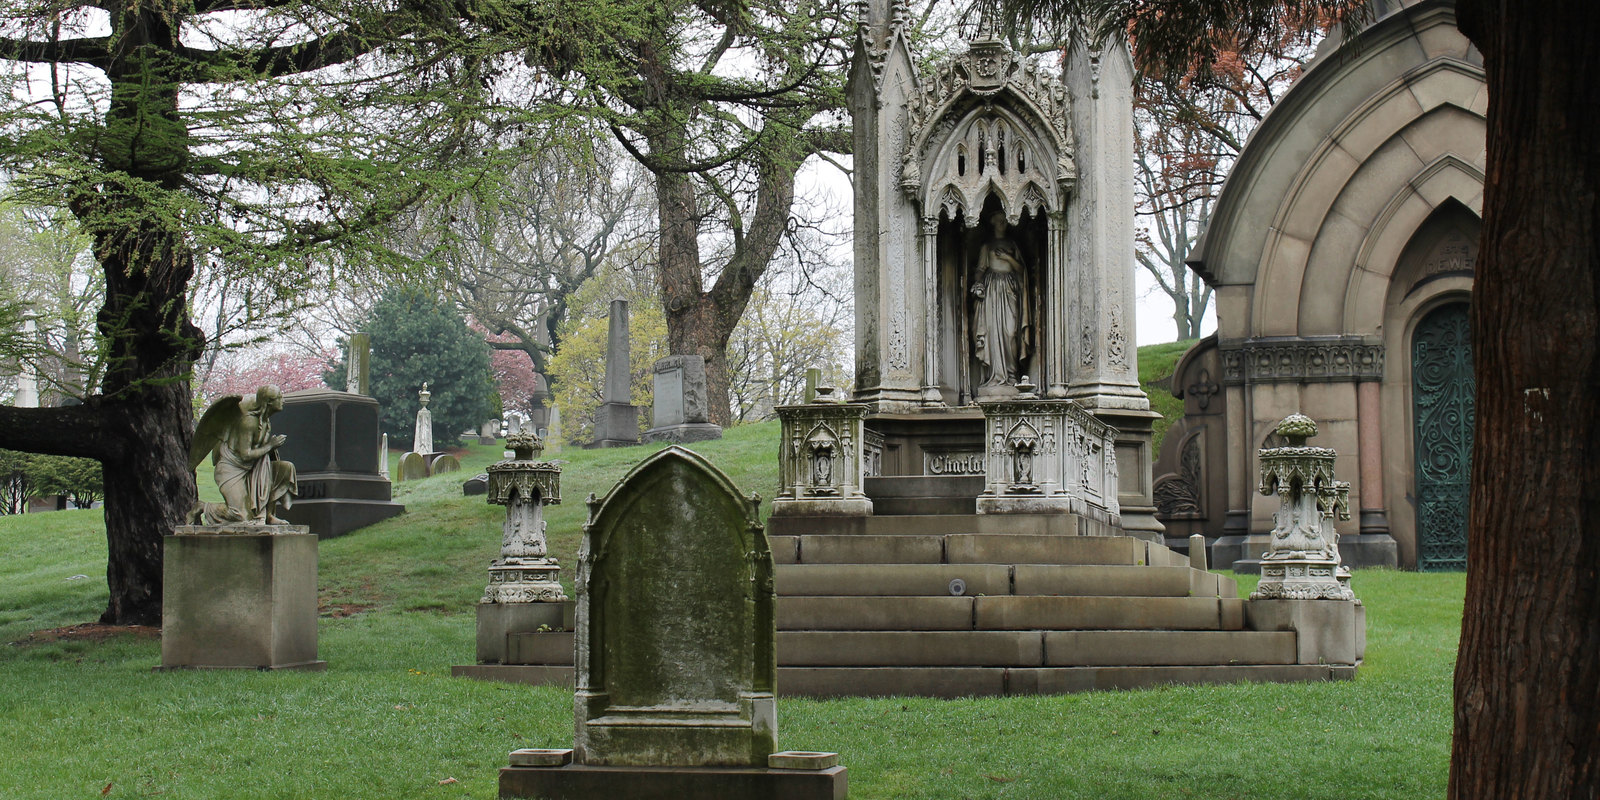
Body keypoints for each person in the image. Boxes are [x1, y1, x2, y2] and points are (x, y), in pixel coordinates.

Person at [190, 385, 298, 524]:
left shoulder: (265, 419)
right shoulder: (249, 422)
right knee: (240, 516)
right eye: (280, 397)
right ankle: (203, 507)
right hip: (231, 468)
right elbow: (245, 455)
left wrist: (270, 447)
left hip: (252, 468)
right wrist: (270, 445)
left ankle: (267, 515)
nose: (283, 400)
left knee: (285, 468)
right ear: (269, 402)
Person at [971, 213, 1030, 388]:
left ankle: (1011, 375)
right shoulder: (987, 246)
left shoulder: (1012, 245)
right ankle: (994, 376)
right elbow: (980, 270)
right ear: (992, 222)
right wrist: (978, 284)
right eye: (998, 220)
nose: (1002, 223)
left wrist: (1007, 258)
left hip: (1010, 289)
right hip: (991, 291)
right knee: (991, 331)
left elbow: (1022, 270)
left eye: (1004, 220)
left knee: (1010, 333)